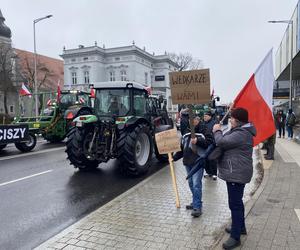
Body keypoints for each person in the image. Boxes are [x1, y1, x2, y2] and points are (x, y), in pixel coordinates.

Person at [212, 107, 256, 250]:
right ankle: (240, 227)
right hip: (236, 172)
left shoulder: (241, 134)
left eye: (231, 118)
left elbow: (221, 142)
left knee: (235, 204)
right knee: (237, 202)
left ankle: (235, 237)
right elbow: (226, 139)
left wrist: (217, 130)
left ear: (237, 121)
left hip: (236, 174)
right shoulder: (240, 131)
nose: (229, 120)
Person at [173, 116, 214, 217]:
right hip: (187, 162)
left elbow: (210, 143)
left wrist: (198, 141)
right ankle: (196, 201)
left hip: (198, 162)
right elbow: (182, 148)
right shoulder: (186, 132)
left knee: (196, 184)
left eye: (194, 120)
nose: (192, 122)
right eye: (190, 120)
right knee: (191, 184)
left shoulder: (204, 130)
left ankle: (197, 207)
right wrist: (174, 158)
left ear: (198, 120)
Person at [203, 110, 218, 180]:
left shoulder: (214, 123)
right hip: (205, 143)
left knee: (212, 158)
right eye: (204, 116)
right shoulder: (203, 123)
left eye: (206, 116)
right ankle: (208, 172)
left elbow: (217, 132)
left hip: (212, 143)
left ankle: (214, 173)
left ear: (210, 116)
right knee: (205, 158)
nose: (204, 117)